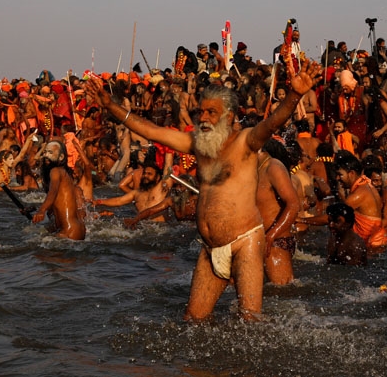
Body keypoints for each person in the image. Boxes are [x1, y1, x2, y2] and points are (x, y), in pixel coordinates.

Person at [85, 57, 321, 322]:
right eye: (201, 112)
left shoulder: (246, 141)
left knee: (250, 322)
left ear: (229, 116)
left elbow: (273, 123)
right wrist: (109, 105)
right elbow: (150, 131)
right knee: (193, 320)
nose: (204, 118)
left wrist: (295, 94)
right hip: (210, 248)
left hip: (245, 242)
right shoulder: (197, 143)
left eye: (212, 112)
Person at [255, 139, 301, 285]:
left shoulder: (273, 166)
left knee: (282, 295)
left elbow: (293, 205)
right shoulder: (253, 168)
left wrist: (271, 236)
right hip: (255, 242)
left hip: (274, 244)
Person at [32, 139, 87, 240]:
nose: (46, 155)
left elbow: (52, 192)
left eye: (51, 152)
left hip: (69, 231)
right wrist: (33, 210)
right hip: (76, 229)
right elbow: (57, 205)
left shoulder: (55, 171)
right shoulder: (65, 174)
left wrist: (41, 210)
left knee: (37, 252)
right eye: (45, 152)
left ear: (61, 157)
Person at [95, 161, 172, 223]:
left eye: (149, 174)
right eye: (144, 173)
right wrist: (99, 202)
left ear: (157, 177)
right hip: (144, 228)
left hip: (160, 228)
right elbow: (118, 201)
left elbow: (167, 169)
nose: (145, 176)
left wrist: (168, 151)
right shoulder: (137, 193)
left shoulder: (162, 190)